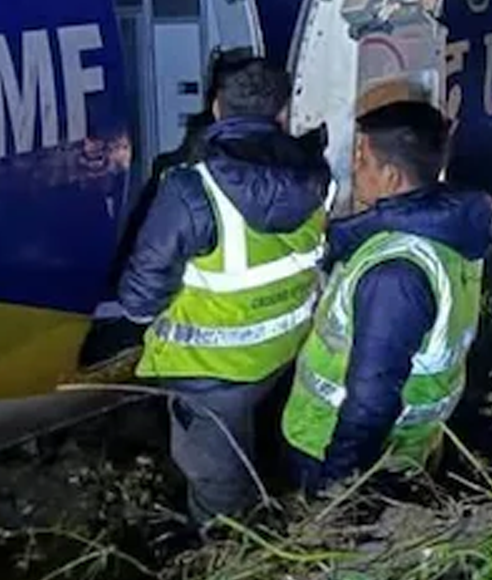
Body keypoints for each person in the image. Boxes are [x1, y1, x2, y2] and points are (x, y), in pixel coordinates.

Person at [116, 57, 334, 528]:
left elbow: (138, 299)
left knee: (220, 497)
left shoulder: (191, 189)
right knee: (263, 458)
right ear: (281, 111)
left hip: (209, 376)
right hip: (284, 355)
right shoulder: (318, 176)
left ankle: (232, 555)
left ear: (216, 107)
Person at [282, 100, 492, 494]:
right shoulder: (450, 231)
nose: (354, 168)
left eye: (363, 159)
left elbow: (371, 399)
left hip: (334, 448)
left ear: (392, 176)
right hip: (411, 449)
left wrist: (339, 486)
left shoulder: (396, 274)